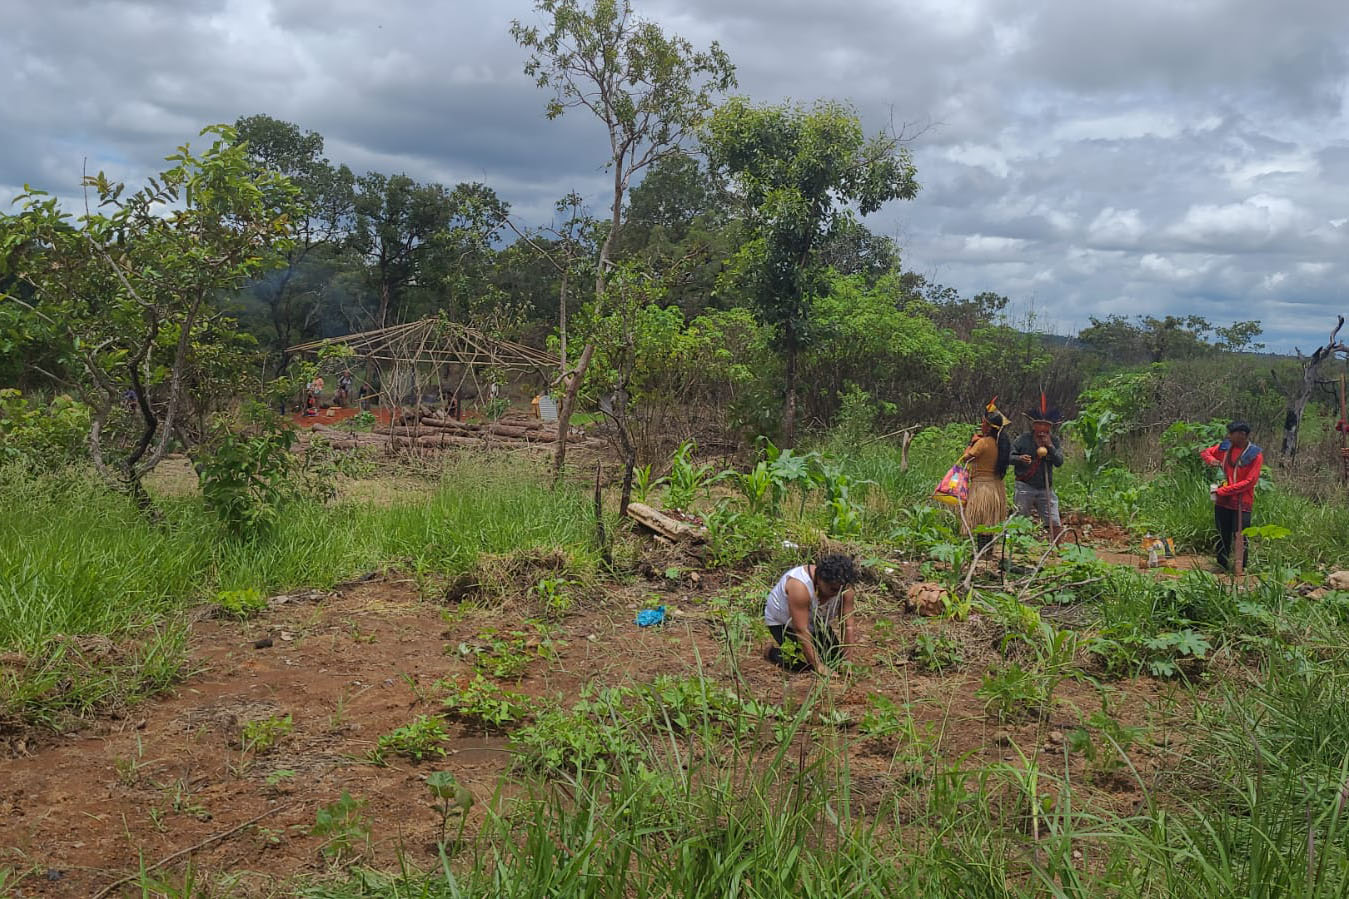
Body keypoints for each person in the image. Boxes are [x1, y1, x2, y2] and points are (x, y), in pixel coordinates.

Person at [763, 554, 858, 676]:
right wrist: (818, 666)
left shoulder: (845, 587)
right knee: (801, 664)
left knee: (834, 661)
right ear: (819, 579)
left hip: (816, 622)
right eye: (833, 589)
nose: (836, 594)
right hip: (784, 622)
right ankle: (771, 652)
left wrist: (846, 663)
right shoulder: (799, 586)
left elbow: (848, 626)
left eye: (840, 589)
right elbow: (801, 630)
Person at [1200, 421, 1263, 571]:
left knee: (1241, 535)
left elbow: (1250, 481)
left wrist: (1226, 491)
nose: (1228, 436)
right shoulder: (1225, 447)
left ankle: (1241, 566)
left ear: (1242, 435)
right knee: (1223, 534)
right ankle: (1222, 564)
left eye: (1232, 433)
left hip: (1243, 501)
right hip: (1223, 501)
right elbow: (1205, 452)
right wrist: (1212, 461)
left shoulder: (1255, 455)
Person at [960, 398, 1012, 547]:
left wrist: (972, 443)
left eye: (983, 423)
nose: (981, 425)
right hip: (996, 488)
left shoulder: (982, 443)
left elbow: (965, 458)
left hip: (982, 488)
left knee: (981, 521)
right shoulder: (1002, 443)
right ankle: (987, 552)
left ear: (989, 427)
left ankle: (982, 554)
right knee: (989, 522)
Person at [1011, 395, 1065, 541]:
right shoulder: (1023, 439)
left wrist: (1050, 447)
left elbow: (1059, 462)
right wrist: (1019, 459)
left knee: (1053, 518)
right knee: (1020, 518)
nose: (1042, 428)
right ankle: (1017, 545)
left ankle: (1058, 548)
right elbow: (1009, 457)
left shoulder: (1054, 441)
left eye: (1046, 425)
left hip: (1045, 488)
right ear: (1034, 426)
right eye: (1039, 425)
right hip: (1024, 485)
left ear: (1050, 427)